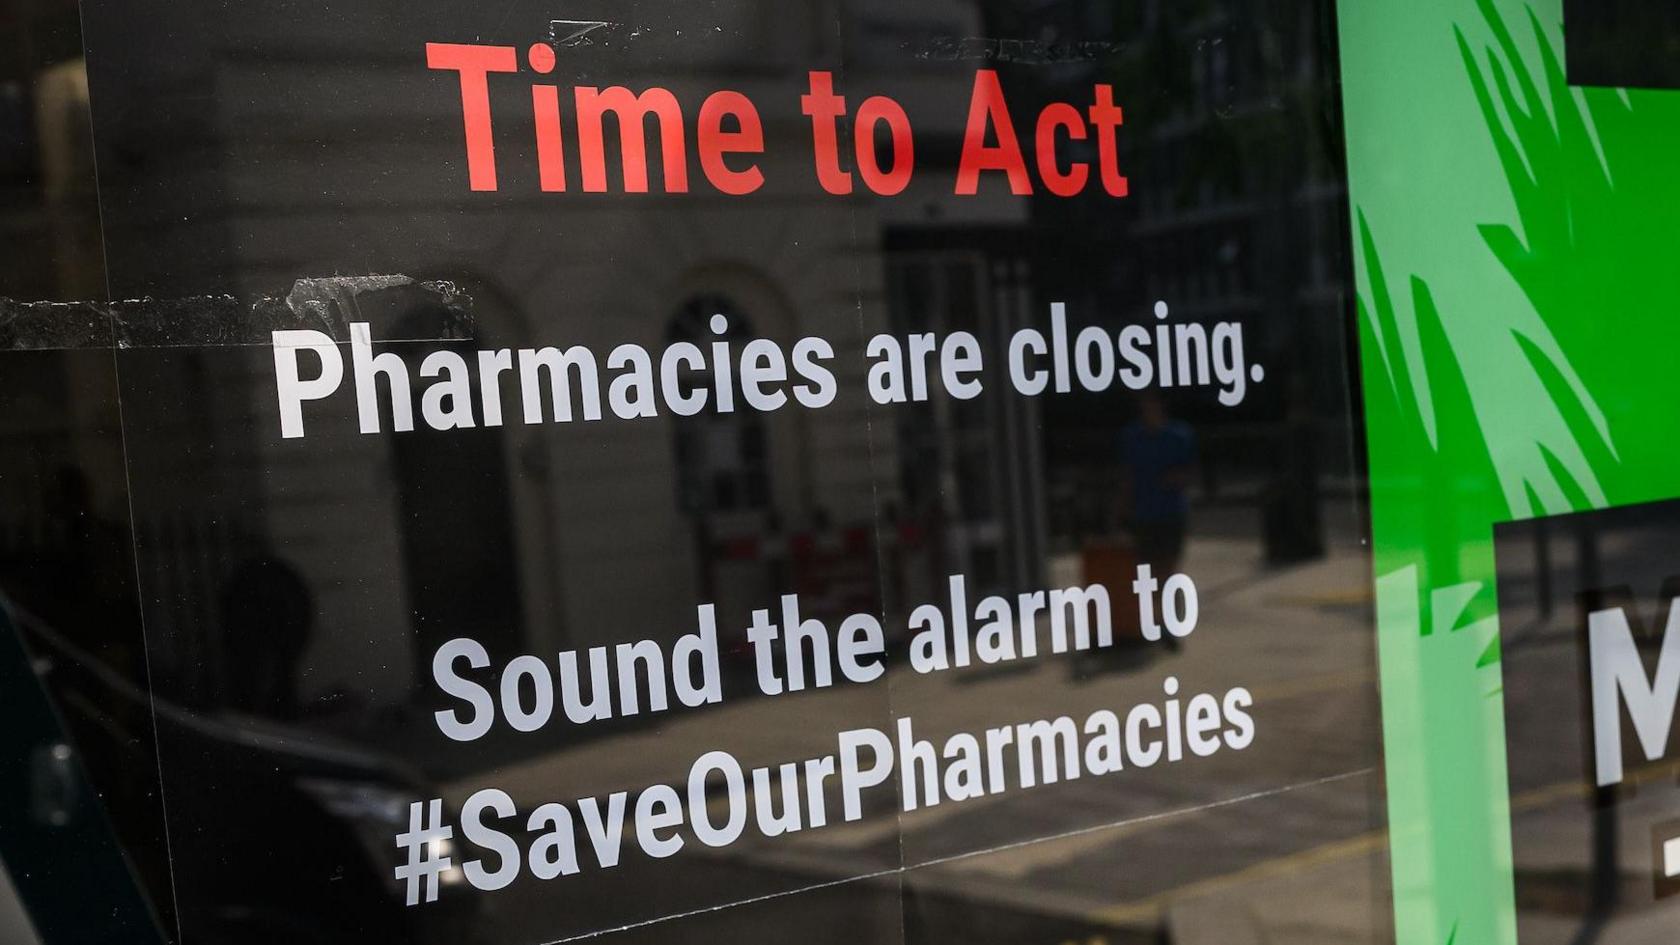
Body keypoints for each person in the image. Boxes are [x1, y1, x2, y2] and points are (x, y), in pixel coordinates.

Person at [1119, 392, 1196, 578]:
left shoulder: (1179, 436)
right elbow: (1126, 475)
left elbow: (1190, 472)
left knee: (1168, 568)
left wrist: (1174, 478)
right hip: (1144, 513)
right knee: (1146, 570)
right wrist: (1122, 508)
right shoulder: (1132, 436)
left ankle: (1170, 603)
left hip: (1171, 512)